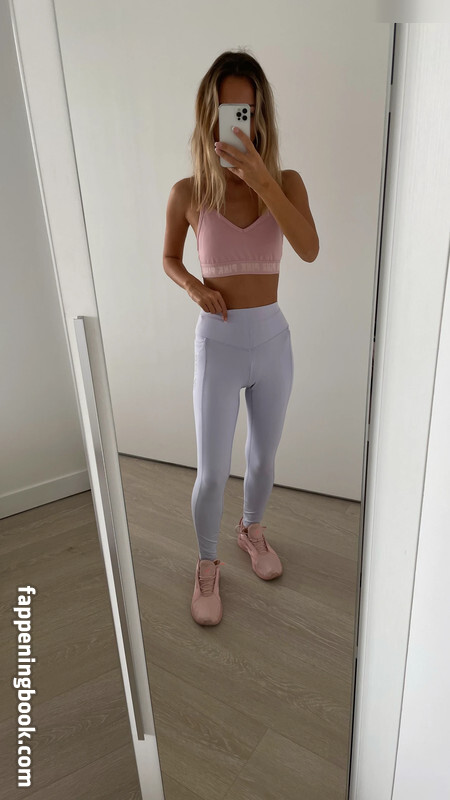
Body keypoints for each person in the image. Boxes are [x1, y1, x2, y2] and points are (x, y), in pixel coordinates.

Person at [162, 48, 318, 626]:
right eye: (226, 111)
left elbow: (309, 248)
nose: (236, 122)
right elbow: (169, 258)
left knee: (263, 457)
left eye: (245, 112)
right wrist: (193, 288)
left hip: (273, 341)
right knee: (211, 471)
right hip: (220, 344)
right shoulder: (188, 193)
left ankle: (252, 531)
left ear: (259, 116)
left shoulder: (288, 183)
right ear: (209, 116)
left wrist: (262, 180)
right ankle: (207, 563)